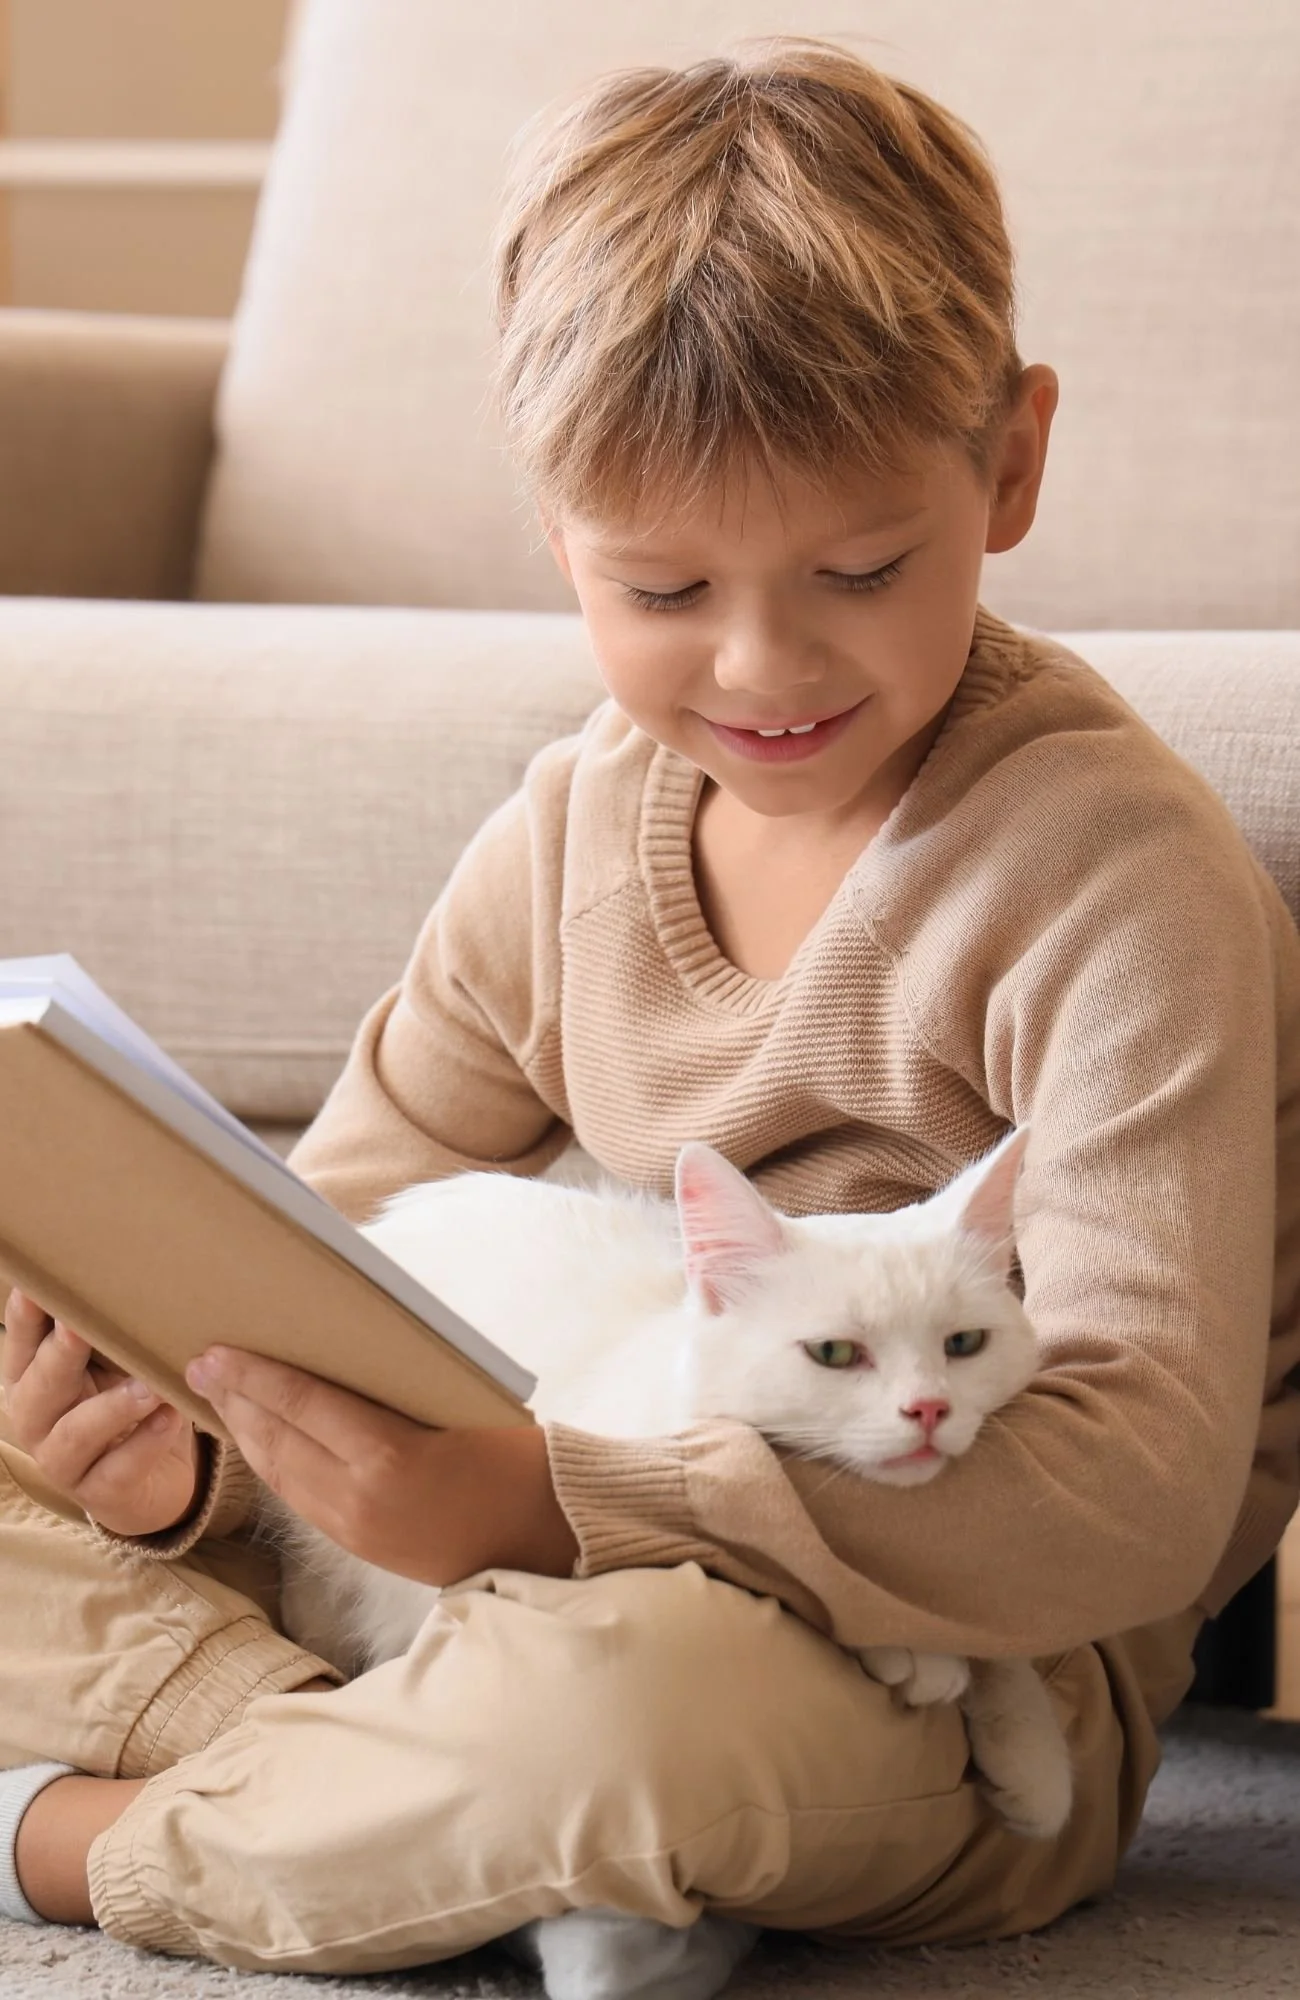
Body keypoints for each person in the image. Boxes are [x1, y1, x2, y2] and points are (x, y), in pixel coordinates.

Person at [2, 34, 1297, 1991]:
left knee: (616, 1719)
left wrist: (553, 1507)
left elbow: (1127, 1493)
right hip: (504, 1567)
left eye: (858, 568)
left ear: (1009, 467)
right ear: (556, 534)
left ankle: (103, 1823)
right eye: (664, 589)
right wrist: (189, 1456)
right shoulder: (574, 829)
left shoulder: (1110, 875)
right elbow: (314, 1255)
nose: (761, 663)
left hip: (949, 1670)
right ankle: (414, 1793)